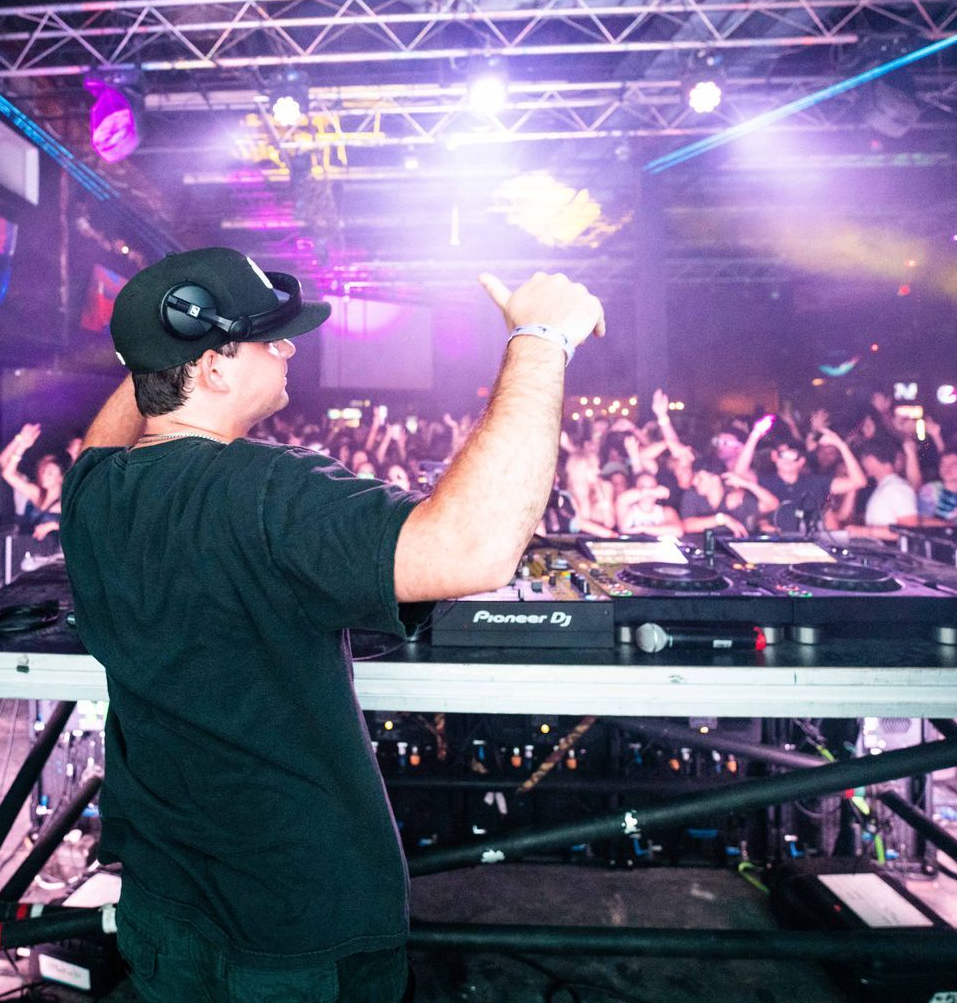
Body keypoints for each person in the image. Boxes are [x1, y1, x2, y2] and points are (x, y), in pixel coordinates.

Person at [60, 247, 605, 1002]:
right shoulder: (268, 491)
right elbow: (473, 549)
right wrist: (540, 339)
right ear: (213, 366)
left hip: (163, 903)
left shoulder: (92, 493)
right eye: (268, 338)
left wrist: (155, 343)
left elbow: (114, 432)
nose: (288, 349)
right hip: (294, 923)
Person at [756, 419, 866, 533]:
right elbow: (741, 481)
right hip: (777, 541)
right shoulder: (764, 482)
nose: (786, 460)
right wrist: (755, 435)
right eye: (782, 455)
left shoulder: (815, 482)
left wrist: (840, 445)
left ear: (801, 461)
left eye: (791, 455)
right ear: (775, 458)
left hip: (812, 541)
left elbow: (859, 481)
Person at [0, 423, 65, 539]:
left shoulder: (67, 501)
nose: (44, 475)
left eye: (49, 473)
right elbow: (6, 472)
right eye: (43, 470)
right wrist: (21, 446)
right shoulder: (35, 491)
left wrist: (53, 525)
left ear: (60, 478)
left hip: (54, 549)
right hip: (26, 544)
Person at [856, 437, 920, 531]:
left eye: (863, 459)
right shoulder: (888, 486)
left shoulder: (895, 487)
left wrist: (863, 532)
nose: (862, 463)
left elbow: (908, 530)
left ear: (870, 459)